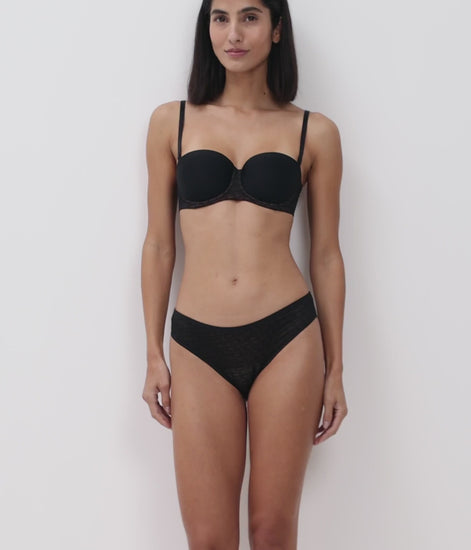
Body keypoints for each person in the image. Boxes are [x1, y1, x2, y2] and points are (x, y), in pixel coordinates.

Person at [140, 0, 348, 548]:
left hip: (287, 336)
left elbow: (327, 255)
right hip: (198, 341)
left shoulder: (314, 132)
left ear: (277, 30)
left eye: (250, 17)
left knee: (272, 530)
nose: (233, 33)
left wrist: (335, 368)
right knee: (209, 538)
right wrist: (153, 354)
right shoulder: (171, 122)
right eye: (220, 17)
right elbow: (159, 245)